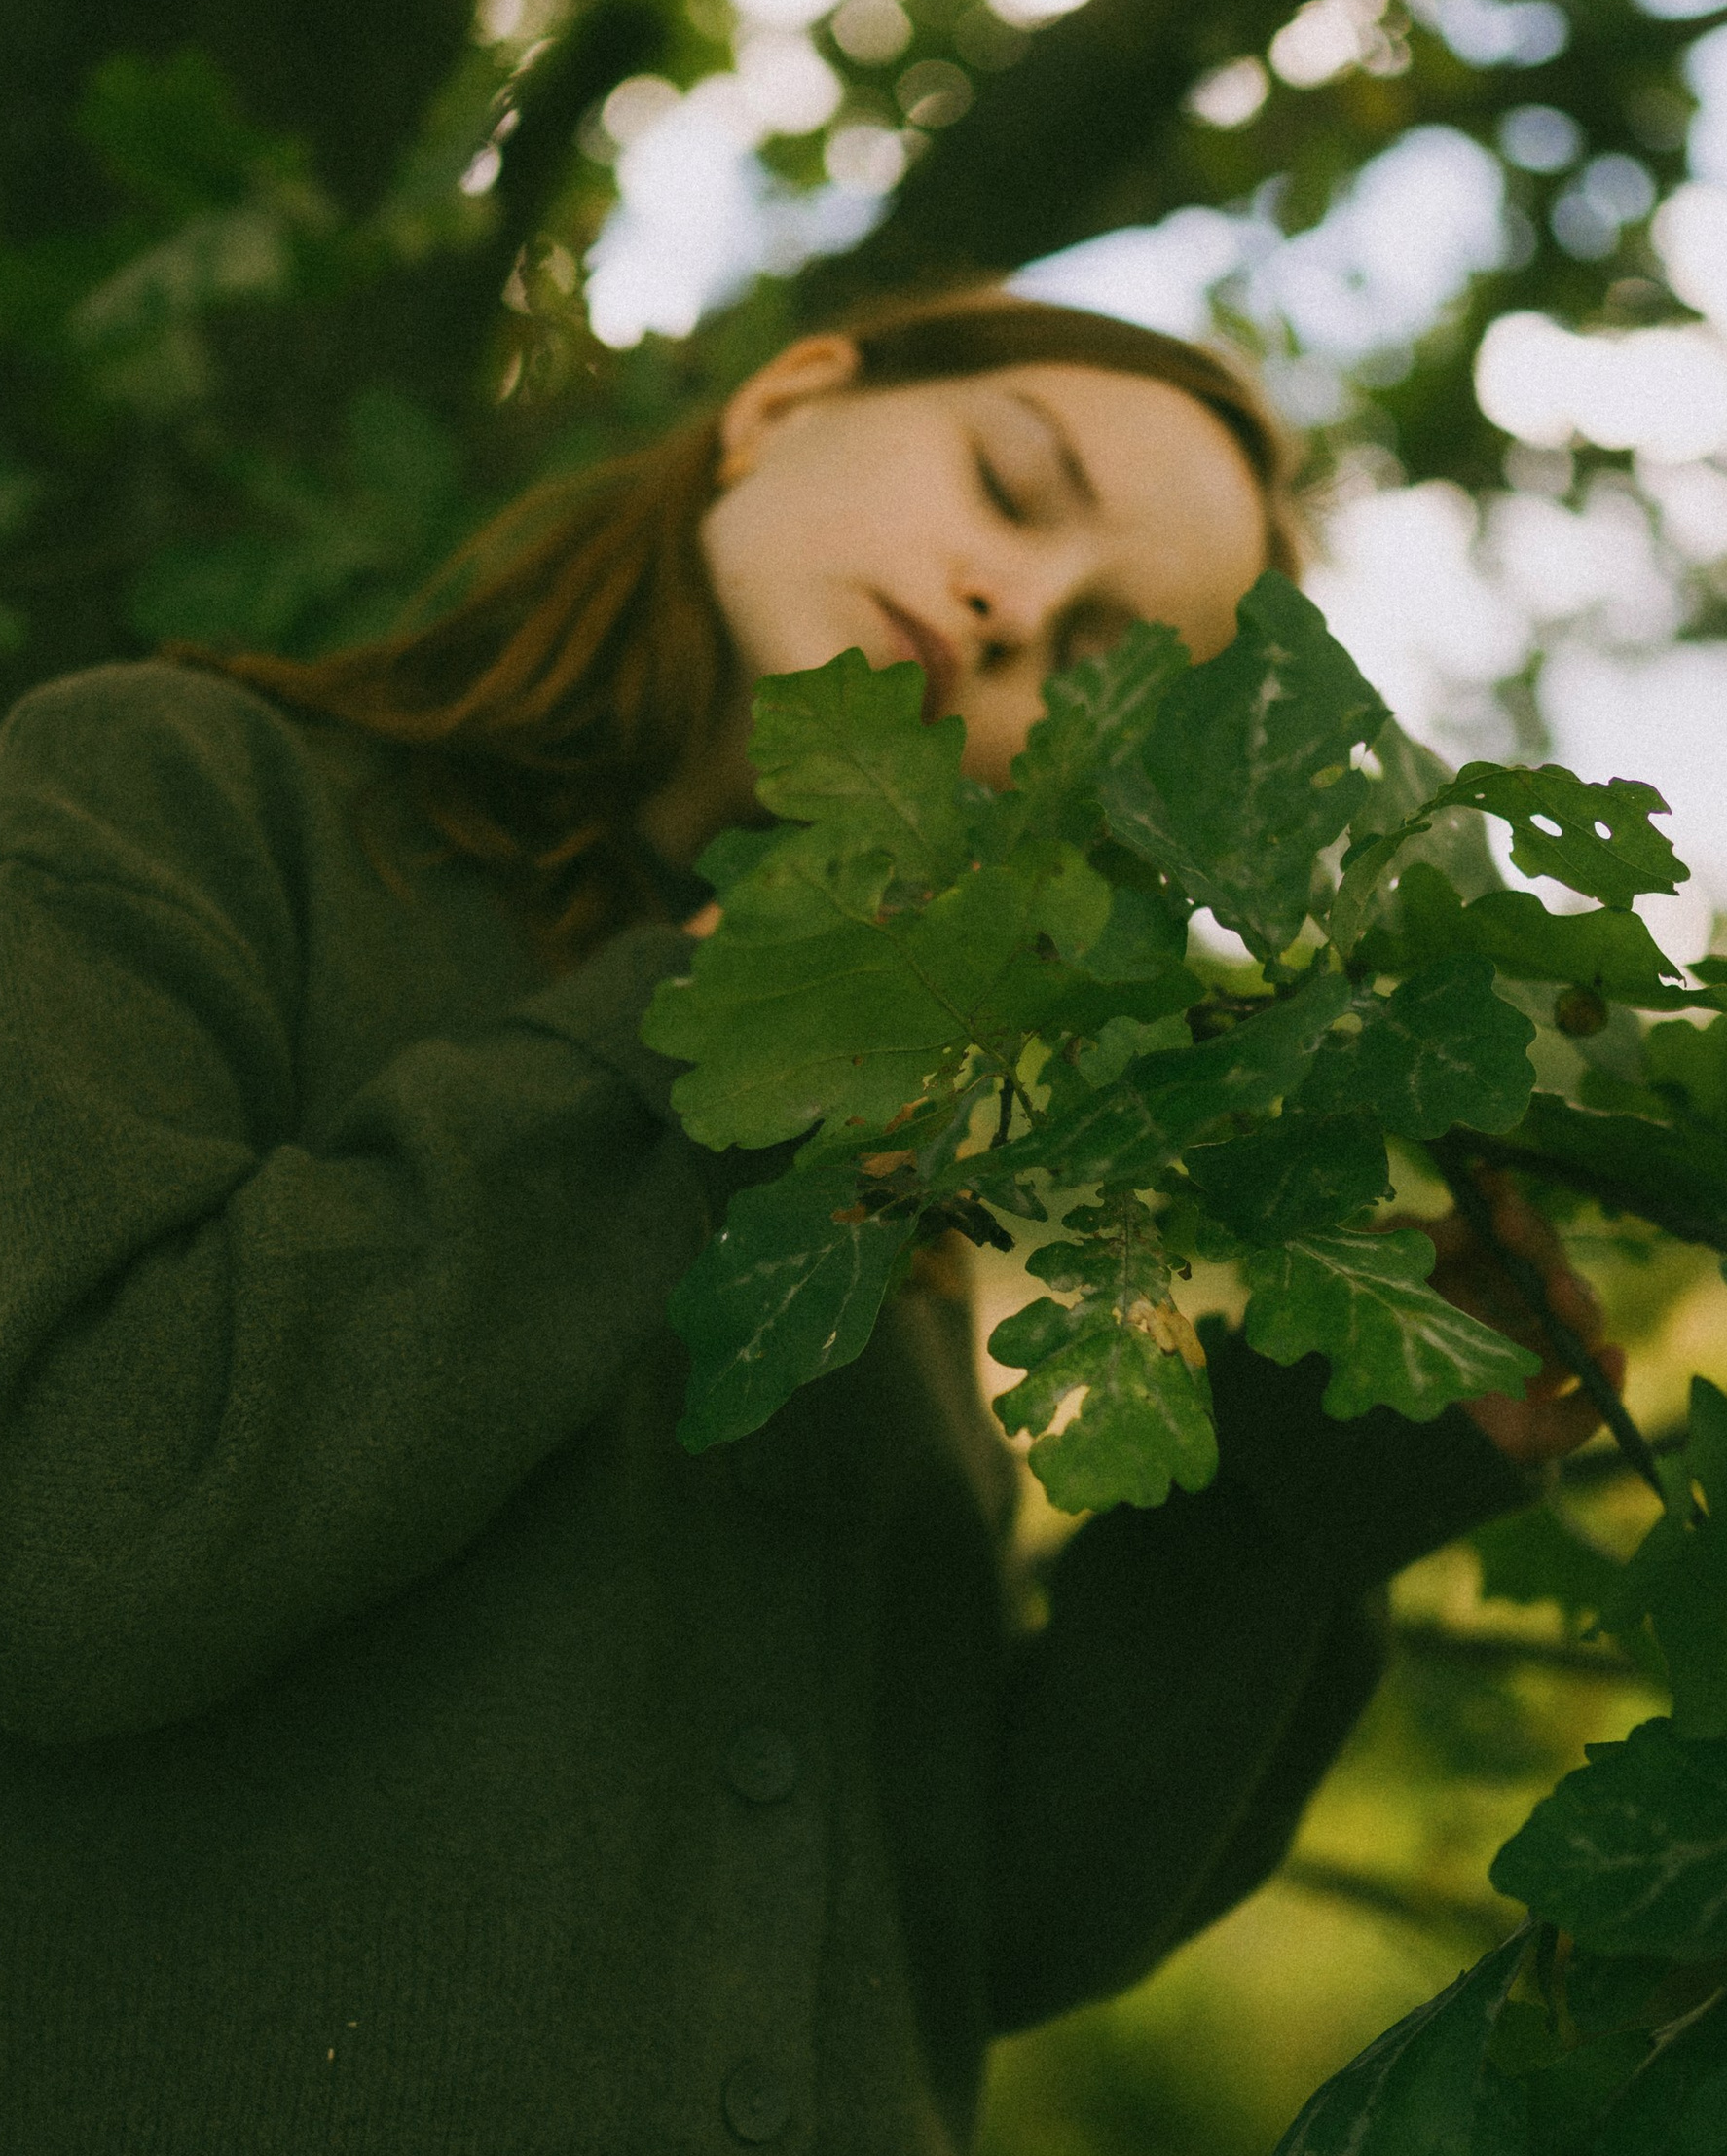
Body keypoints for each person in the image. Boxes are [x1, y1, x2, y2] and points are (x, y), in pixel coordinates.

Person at [0, 288, 1620, 2155]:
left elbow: (950, 1924)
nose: (1015, 608)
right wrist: (691, 1047)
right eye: (1012, 486)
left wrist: (1310, 1487)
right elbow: (59, 1542)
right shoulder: (170, 795)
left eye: (1098, 663)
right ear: (783, 401)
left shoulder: (885, 1212)